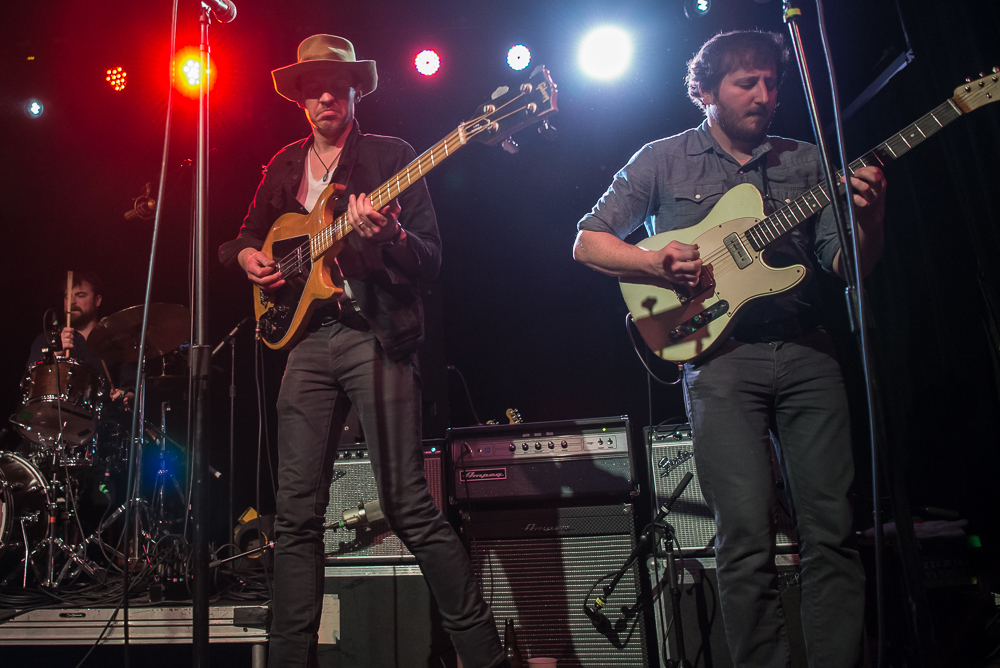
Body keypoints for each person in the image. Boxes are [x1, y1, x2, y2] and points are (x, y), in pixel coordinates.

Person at [573, 31, 886, 667]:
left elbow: (846, 266)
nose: (765, 95)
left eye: (773, 83)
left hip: (808, 353)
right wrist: (657, 261)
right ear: (705, 90)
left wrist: (873, 217)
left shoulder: (806, 161)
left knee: (833, 532)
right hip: (718, 360)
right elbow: (588, 241)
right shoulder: (663, 159)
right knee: (743, 537)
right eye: (748, 83)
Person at [218, 35, 506, 668]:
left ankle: (484, 657)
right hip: (306, 344)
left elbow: (430, 261)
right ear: (299, 98)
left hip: (374, 335)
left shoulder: (391, 157)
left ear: (355, 92)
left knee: (407, 503)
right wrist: (247, 256)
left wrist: (393, 232)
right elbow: (242, 237)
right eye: (314, 86)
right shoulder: (284, 167)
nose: (326, 94)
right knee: (295, 517)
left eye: (338, 84)